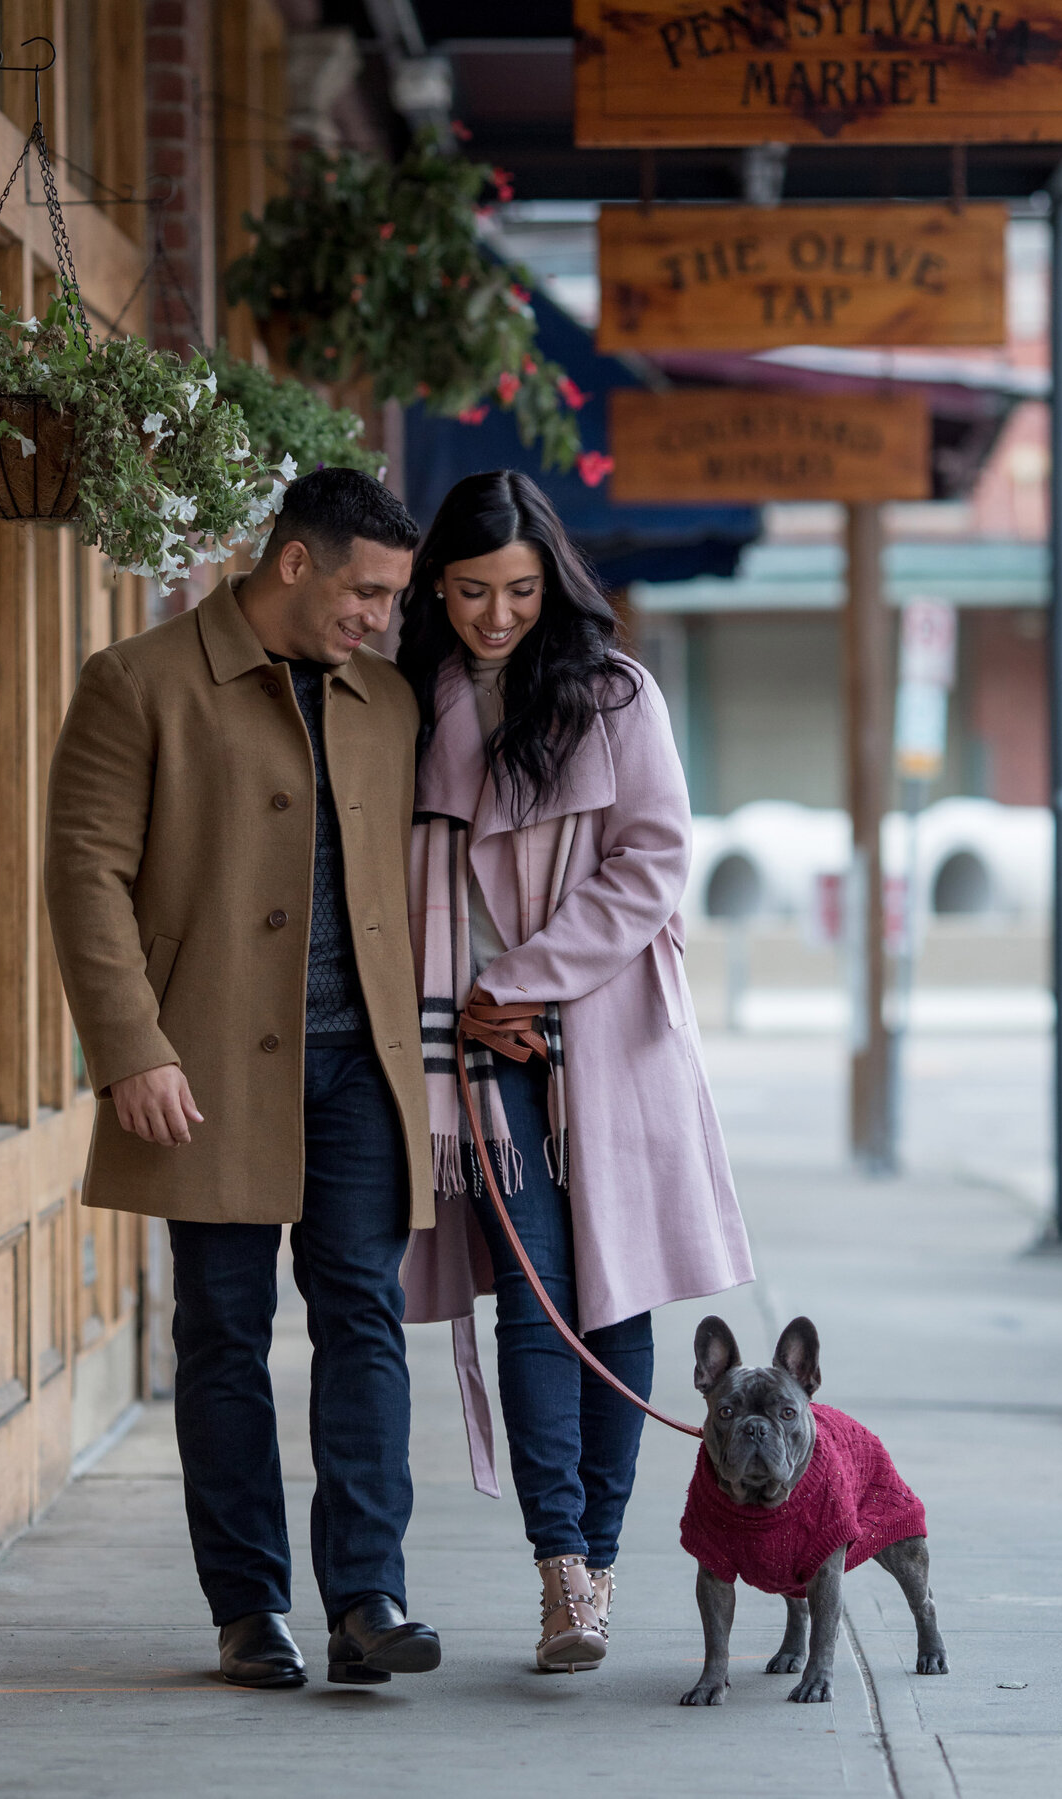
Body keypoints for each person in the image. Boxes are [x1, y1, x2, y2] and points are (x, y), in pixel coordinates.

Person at [44, 469, 442, 1692]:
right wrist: (133, 1048)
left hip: (361, 1069)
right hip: (202, 1067)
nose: (381, 617)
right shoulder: (139, 682)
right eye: (368, 591)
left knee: (364, 1320)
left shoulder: (388, 702)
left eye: (393, 598)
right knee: (222, 1332)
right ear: (293, 564)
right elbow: (84, 875)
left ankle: (368, 1594)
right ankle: (246, 1607)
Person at [397, 469, 754, 1673]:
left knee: (617, 1295)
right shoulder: (413, 698)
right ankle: (561, 1567)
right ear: (434, 585)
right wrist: (466, 1006)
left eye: (518, 590)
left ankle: (596, 1562)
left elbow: (653, 858)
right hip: (476, 1052)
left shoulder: (614, 693)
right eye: (471, 591)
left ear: (553, 581)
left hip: (601, 1033)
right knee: (538, 1293)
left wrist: (526, 978)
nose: (496, 615)